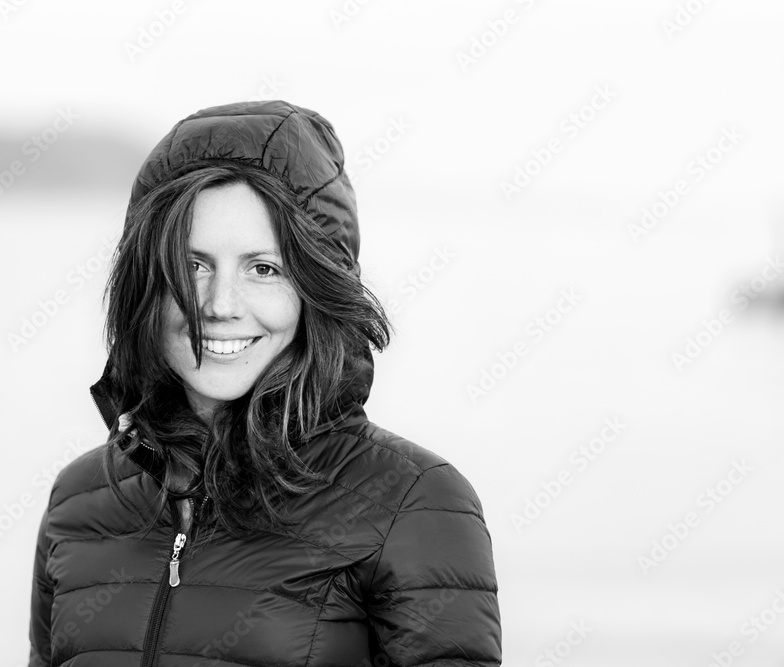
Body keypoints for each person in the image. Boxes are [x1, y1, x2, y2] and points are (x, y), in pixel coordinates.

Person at [28, 100, 502, 666]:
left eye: (263, 269)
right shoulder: (78, 500)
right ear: (145, 281)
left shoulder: (412, 502)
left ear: (317, 287)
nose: (219, 305)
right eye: (192, 265)